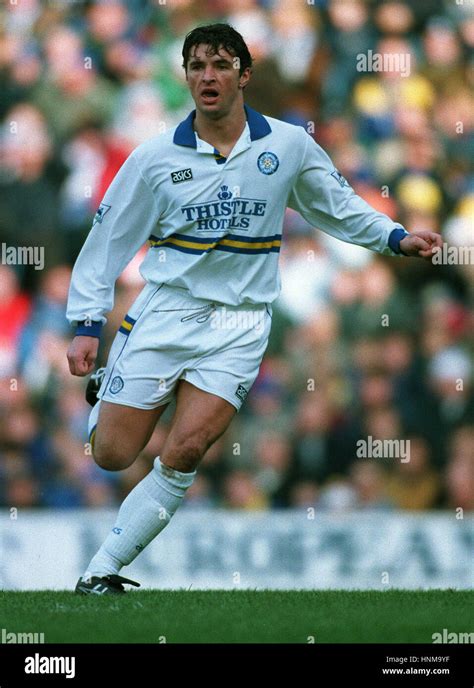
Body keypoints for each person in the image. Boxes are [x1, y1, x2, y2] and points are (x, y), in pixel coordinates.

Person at [66, 23, 442, 594]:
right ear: (187, 78)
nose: (207, 76)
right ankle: (106, 399)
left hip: (241, 323)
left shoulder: (288, 146)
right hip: (168, 310)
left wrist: (394, 238)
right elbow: (106, 243)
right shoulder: (153, 157)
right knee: (112, 455)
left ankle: (102, 571)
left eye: (219, 64)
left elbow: (336, 206)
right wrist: (87, 325)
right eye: (196, 66)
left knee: (187, 448)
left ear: (244, 74)